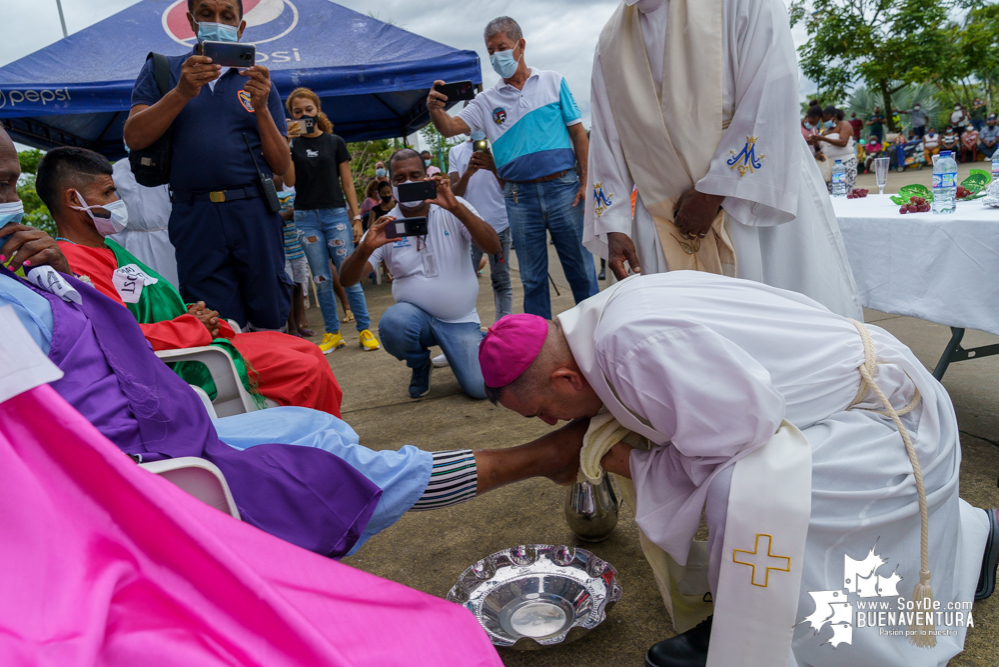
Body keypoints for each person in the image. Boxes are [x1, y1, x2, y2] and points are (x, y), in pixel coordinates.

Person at [0, 124, 591, 565]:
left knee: (324, 429)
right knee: (336, 462)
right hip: (153, 448)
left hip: (177, 411)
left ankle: (331, 518)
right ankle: (537, 460)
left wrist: (71, 290)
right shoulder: (24, 293)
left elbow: (115, 336)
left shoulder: (38, 272)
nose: (11, 198)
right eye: (5, 183)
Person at [478, 271, 998, 667]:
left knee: (744, 488)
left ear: (568, 380)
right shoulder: (596, 322)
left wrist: (633, 462)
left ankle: (759, 633)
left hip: (887, 416)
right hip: (851, 398)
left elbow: (739, 439)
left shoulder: (632, 345)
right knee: (748, 483)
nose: (549, 422)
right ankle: (978, 535)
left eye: (541, 411)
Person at [583, 0, 861, 320]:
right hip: (664, 220)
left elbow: (770, 92)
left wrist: (714, 191)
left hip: (750, 201)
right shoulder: (611, 40)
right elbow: (607, 137)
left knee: (777, 326)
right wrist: (615, 225)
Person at [38, 146, 343, 416]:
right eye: (107, 193)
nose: (117, 201)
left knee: (306, 349)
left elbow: (150, 300)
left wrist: (195, 314)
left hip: (192, 337)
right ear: (72, 199)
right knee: (307, 368)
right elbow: (110, 337)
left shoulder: (107, 245)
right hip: (176, 363)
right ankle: (322, 461)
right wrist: (192, 327)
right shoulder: (70, 262)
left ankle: (323, 447)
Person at [123, 0, 290, 332]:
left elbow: (282, 164)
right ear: (191, 21)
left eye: (227, 16)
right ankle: (236, 381)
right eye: (206, 14)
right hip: (194, 213)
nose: (217, 21)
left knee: (270, 313)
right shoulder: (163, 70)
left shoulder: (257, 80)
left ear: (241, 27)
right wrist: (182, 92)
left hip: (253, 209)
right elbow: (134, 137)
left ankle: (276, 379)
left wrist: (262, 110)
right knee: (215, 321)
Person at [427, 16, 599, 319]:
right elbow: (451, 128)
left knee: (582, 272)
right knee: (532, 280)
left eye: (502, 48)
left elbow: (578, 133)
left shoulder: (553, 81)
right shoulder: (485, 100)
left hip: (564, 188)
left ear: (520, 45)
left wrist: (584, 181)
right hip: (519, 197)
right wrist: (435, 109)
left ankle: (596, 336)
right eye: (490, 51)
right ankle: (541, 348)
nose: (496, 56)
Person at [339, 148, 501, 399]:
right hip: (414, 321)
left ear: (428, 177)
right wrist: (365, 249)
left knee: (480, 389)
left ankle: (476, 341)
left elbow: (492, 247)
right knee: (394, 323)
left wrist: (456, 207)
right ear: (390, 185)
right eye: (400, 179)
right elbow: (347, 279)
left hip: (460, 320)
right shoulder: (386, 224)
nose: (409, 183)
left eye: (415, 175)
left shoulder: (453, 207)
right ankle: (419, 364)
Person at [283, 87, 379, 354]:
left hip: (335, 215)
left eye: (308, 110)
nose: (304, 115)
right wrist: (287, 143)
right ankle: (332, 332)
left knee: (349, 275)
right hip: (305, 218)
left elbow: (347, 183)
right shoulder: (292, 144)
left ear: (318, 111)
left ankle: (364, 329)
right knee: (322, 278)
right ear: (291, 116)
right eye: (297, 112)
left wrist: (357, 217)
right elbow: (289, 180)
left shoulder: (334, 142)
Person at [449, 132, 514, 320]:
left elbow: (509, 187)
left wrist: (493, 167)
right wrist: (468, 172)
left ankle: (503, 324)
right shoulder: (456, 151)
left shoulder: (499, 145)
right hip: (470, 227)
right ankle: (465, 322)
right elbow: (455, 194)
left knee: (501, 280)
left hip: (500, 223)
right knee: (466, 281)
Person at [108, 154, 178, 288]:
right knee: (143, 292)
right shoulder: (117, 170)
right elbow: (114, 217)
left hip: (173, 237)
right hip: (135, 243)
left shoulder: (172, 161)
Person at [809, 106, 857, 193]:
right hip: (829, 167)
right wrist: (817, 147)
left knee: (844, 192)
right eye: (823, 121)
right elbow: (821, 147)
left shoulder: (844, 124)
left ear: (834, 117)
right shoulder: (825, 131)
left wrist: (823, 138)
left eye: (826, 120)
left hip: (845, 163)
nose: (825, 122)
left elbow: (843, 142)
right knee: (831, 194)